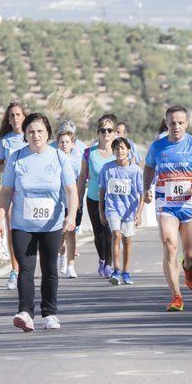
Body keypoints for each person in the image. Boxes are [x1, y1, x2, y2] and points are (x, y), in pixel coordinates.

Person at [0, 112, 78, 331]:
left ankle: (50, 314)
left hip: (52, 224)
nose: (35, 135)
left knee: (49, 268)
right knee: (25, 269)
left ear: (48, 133)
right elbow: (6, 192)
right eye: (31, 131)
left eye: (40, 131)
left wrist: (71, 215)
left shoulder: (59, 157)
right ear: (25, 135)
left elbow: (71, 190)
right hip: (23, 224)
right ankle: (25, 312)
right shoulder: (17, 158)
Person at [143, 106, 192, 311]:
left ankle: (187, 266)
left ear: (186, 123)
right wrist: (146, 189)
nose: (176, 126)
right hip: (166, 203)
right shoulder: (157, 147)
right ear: (166, 123)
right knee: (169, 244)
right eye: (172, 123)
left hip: (189, 204)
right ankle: (176, 296)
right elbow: (149, 167)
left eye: (180, 122)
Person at [99, 137, 144, 285]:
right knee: (116, 234)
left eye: (123, 148)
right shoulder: (107, 168)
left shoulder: (136, 170)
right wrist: (101, 210)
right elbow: (102, 190)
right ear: (113, 151)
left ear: (129, 150)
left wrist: (138, 213)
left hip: (129, 210)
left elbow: (141, 193)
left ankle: (126, 272)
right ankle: (116, 271)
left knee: (127, 240)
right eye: (117, 148)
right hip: (112, 208)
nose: (120, 151)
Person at [0, 100, 27, 291]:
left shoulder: (31, 137)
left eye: (18, 114)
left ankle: (26, 267)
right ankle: (15, 269)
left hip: (29, 191)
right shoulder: (5, 141)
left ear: (24, 116)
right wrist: (9, 164)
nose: (15, 118)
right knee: (12, 230)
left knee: (28, 231)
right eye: (12, 115)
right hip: (10, 189)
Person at [77, 114, 118, 279]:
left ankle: (109, 264)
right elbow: (82, 177)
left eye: (109, 130)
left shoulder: (120, 151)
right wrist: (78, 199)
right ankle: (102, 258)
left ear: (114, 132)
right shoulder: (89, 153)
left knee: (110, 232)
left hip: (115, 199)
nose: (106, 133)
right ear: (98, 133)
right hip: (94, 197)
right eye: (103, 130)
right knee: (99, 233)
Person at [55, 122, 84, 278]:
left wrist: (78, 201)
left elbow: (80, 181)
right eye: (61, 142)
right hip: (57, 204)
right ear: (57, 144)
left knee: (71, 233)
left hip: (71, 204)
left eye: (67, 142)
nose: (64, 144)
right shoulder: (53, 160)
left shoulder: (76, 162)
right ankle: (62, 257)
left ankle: (71, 265)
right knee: (60, 236)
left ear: (72, 144)